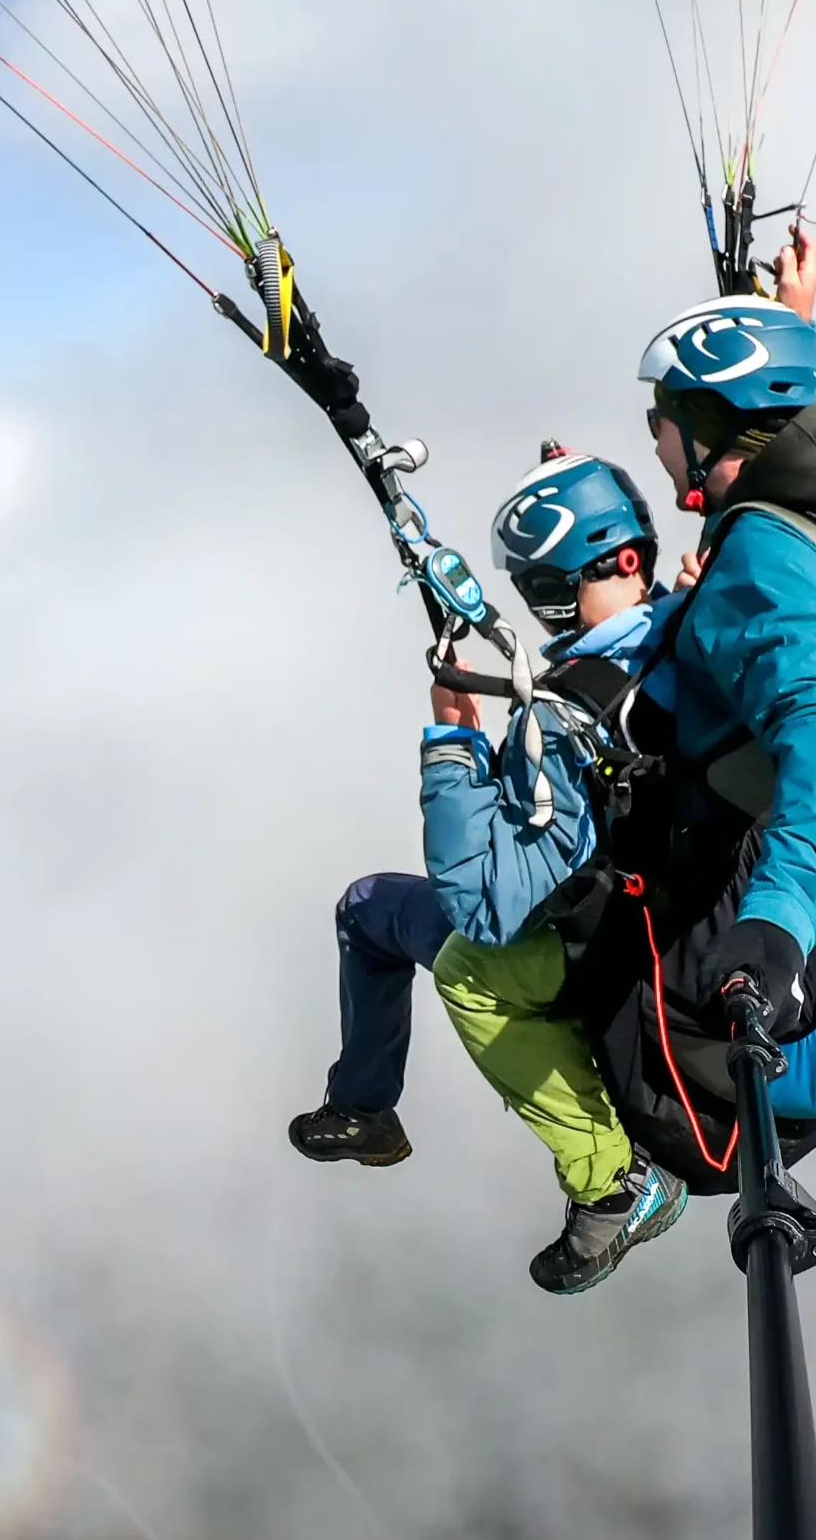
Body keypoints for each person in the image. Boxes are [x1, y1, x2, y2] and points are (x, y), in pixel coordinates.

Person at [287, 447, 690, 1294]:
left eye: (554, 590)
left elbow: (481, 904)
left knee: (469, 971)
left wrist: (454, 743)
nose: (546, 615)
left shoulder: (576, 712)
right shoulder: (694, 621)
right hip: (658, 905)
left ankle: (612, 1181)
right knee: (370, 907)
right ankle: (364, 1110)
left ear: (625, 561)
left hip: (608, 939)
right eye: (534, 592)